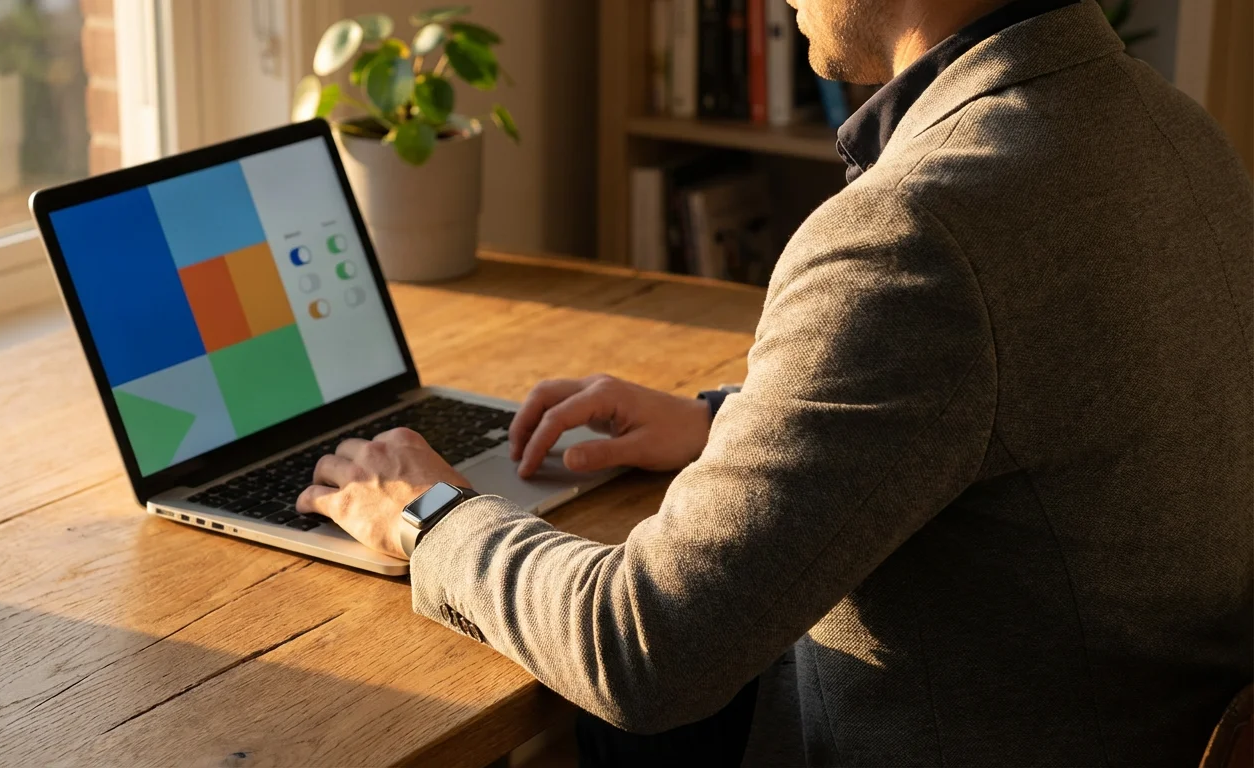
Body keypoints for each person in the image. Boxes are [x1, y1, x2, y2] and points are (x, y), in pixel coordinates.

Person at [297, 0, 1254, 764]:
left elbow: (641, 652)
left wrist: (424, 516)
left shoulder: (919, 228)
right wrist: (729, 423)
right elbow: (1017, 403)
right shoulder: (1171, 128)